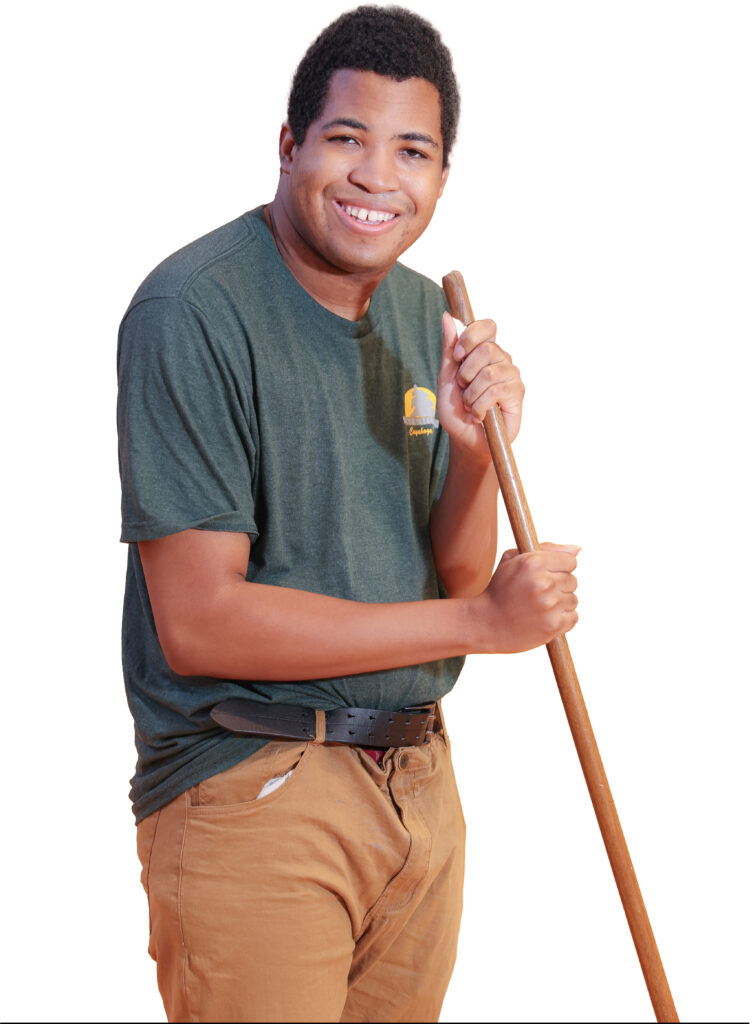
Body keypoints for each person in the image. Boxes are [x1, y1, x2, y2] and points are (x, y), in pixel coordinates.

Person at [117, 6, 579, 1022]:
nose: (378, 176)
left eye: (411, 150)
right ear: (288, 148)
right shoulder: (191, 312)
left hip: (416, 779)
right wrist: (480, 628)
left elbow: (454, 580)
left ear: (443, 178)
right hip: (257, 781)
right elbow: (199, 621)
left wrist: (472, 461)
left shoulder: (426, 314)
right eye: (345, 138)